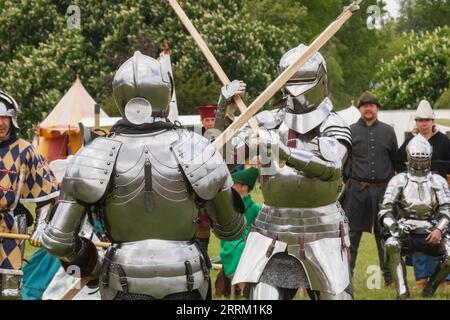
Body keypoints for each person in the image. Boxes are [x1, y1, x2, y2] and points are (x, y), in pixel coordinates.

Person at [41, 51, 245, 300]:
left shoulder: (93, 154)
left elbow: (58, 242)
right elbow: (232, 229)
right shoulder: (197, 148)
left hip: (122, 279)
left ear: (120, 96)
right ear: (165, 92)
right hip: (187, 279)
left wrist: (92, 265)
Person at [229, 44, 353, 300]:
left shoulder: (333, 124)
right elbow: (220, 159)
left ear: (321, 81)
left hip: (323, 228)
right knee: (262, 300)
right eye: (291, 80)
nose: (298, 89)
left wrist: (281, 151)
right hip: (272, 229)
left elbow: (331, 168)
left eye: (306, 79)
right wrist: (224, 110)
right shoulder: (265, 121)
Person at [0, 90, 59, 299]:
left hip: (11, 223)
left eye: (4, 117)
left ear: (12, 119)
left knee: (9, 289)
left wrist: (41, 224)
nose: (0, 123)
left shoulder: (25, 150)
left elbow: (46, 192)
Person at [379, 135, 450, 299]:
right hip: (405, 230)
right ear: (409, 157)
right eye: (416, 158)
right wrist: (395, 226)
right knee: (391, 244)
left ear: (429, 158)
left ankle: (430, 287)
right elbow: (385, 209)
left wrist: (439, 229)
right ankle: (402, 292)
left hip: (432, 230)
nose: (419, 162)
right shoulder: (398, 180)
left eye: (422, 158)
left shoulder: (437, 180)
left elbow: (447, 208)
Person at [341, 91, 397, 287]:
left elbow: (395, 161)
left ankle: (390, 278)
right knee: (352, 235)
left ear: (377, 108)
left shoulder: (389, 132)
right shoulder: (349, 131)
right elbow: (343, 160)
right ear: (359, 109)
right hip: (357, 190)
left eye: (371, 105)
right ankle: (346, 277)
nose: (368, 108)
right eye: (364, 105)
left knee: (386, 234)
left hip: (383, 190)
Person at [394, 99, 450, 289]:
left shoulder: (444, 141)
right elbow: (397, 163)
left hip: (439, 197)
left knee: (441, 235)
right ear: (416, 122)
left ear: (432, 121)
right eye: (419, 120)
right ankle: (421, 278)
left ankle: (444, 278)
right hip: (416, 199)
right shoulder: (410, 141)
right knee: (418, 235)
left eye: (426, 120)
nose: (423, 124)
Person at [217, 167, 260, 297]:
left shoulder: (254, 208)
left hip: (248, 240)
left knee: (246, 247)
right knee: (238, 248)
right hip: (229, 240)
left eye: (234, 184)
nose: (231, 187)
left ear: (243, 187)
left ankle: (246, 287)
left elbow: (259, 229)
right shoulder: (228, 205)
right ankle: (243, 288)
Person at [194, 105, 219, 253]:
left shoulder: (223, 134)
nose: (210, 123)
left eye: (212, 119)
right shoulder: (195, 138)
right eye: (207, 119)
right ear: (202, 121)